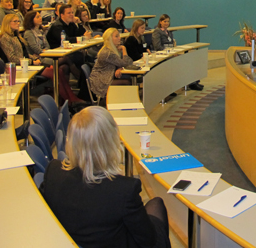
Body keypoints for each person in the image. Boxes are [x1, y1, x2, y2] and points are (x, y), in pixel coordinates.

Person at [40, 106, 171, 248]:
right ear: (110, 142)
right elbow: (147, 240)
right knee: (157, 207)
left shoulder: (53, 171)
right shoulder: (124, 189)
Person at [23, 11, 84, 105]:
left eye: (40, 16)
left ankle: (66, 99)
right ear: (31, 20)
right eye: (37, 17)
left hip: (46, 54)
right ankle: (80, 81)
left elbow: (47, 45)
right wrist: (45, 52)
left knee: (64, 68)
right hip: (39, 59)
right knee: (66, 58)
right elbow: (36, 49)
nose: (40, 18)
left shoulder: (41, 31)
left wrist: (46, 51)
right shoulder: (28, 33)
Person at [89, 28, 136, 98]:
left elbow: (122, 63)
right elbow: (126, 64)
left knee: (128, 79)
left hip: (106, 77)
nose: (119, 38)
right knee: (128, 82)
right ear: (109, 39)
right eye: (116, 36)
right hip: (101, 81)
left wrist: (120, 67)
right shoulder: (108, 53)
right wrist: (124, 49)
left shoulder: (112, 49)